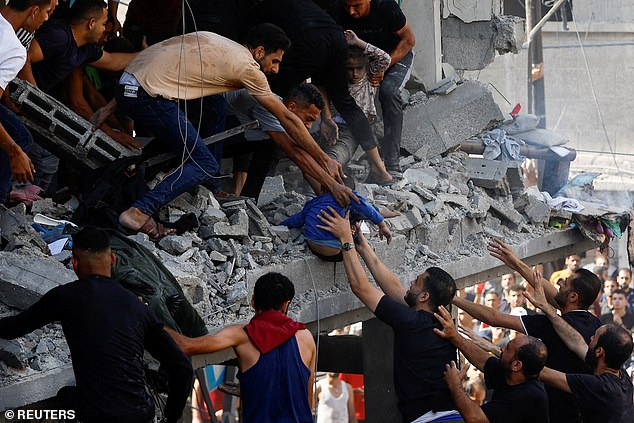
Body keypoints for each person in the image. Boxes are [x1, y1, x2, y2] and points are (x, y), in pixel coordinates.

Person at [116, 24, 348, 238]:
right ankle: (139, 211)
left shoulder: (223, 45)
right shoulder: (249, 68)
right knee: (203, 163)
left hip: (131, 84)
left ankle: (211, 186)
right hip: (145, 95)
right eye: (275, 61)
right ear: (259, 52)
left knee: (215, 103)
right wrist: (325, 159)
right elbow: (287, 120)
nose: (276, 70)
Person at [0, 228, 193, 422]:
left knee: (64, 399)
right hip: (140, 414)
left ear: (75, 263)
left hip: (94, 415)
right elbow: (182, 368)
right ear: (113, 259)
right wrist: (170, 418)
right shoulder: (138, 307)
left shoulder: (66, 296)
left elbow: (13, 328)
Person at [316, 207, 461, 422]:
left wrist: (345, 239)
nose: (410, 283)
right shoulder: (436, 317)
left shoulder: (412, 322)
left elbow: (361, 288)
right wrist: (362, 247)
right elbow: (394, 288)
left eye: (417, 281)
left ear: (424, 297)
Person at [453, 239, 602, 422]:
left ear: (573, 296)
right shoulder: (593, 323)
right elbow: (554, 295)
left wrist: (453, 298)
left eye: (566, 283)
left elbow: (494, 318)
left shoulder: (552, 325)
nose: (560, 283)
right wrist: (516, 263)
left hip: (558, 411)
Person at [244, 0, 380, 169]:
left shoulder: (261, 15)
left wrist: (324, 121)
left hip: (311, 38)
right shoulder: (303, 12)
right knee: (344, 101)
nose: (351, 12)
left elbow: (317, 76)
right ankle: (380, 168)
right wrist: (325, 119)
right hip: (334, 37)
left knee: (273, 108)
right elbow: (319, 79)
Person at [166, 272, 316, 423]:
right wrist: (256, 387)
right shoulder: (306, 337)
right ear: (285, 305)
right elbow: (306, 400)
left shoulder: (241, 335)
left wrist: (148, 317)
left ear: (252, 301)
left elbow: (186, 346)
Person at [19, 0, 139, 149]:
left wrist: (154, 52)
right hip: (17, 100)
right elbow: (24, 56)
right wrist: (36, 99)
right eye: (103, 24)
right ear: (91, 23)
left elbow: (114, 61)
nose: (104, 31)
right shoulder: (59, 36)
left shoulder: (86, 49)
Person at [523, 276, 634, 423]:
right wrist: (548, 310)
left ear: (600, 352)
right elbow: (575, 341)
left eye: (594, 337)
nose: (589, 339)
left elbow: (546, 374)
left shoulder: (598, 387)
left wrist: (507, 355)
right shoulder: (623, 378)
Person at [223, 83, 357, 204]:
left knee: (271, 145)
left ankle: (249, 202)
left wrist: (327, 195)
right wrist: (333, 186)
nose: (309, 126)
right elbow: (295, 153)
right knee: (274, 144)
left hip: (231, 140)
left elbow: (303, 156)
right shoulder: (267, 106)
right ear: (292, 106)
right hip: (211, 139)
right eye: (308, 119)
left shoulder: (277, 119)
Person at [324, 0, 416, 175]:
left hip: (393, 56)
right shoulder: (335, 11)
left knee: (388, 92)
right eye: (346, 6)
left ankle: (392, 163)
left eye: (357, 6)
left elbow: (409, 40)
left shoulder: (386, 7)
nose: (351, 12)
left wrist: (382, 69)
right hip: (357, 62)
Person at [434, 305, 549, 423]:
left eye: (508, 348)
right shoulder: (512, 373)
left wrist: (455, 385)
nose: (502, 349)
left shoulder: (527, 396)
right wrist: (455, 336)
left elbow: (475, 419)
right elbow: (483, 360)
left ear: (517, 365)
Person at [321, 29, 392, 184]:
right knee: (335, 155)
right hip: (344, 128)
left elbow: (385, 58)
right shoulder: (339, 80)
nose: (354, 73)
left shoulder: (369, 75)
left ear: (365, 66)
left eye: (358, 68)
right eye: (350, 68)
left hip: (367, 126)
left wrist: (357, 42)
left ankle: (378, 171)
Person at [0, 0, 53, 203]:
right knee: (19, 138)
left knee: (19, 134)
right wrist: (14, 153)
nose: (47, 18)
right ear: (35, 10)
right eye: (47, 12)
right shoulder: (15, 50)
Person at [282, 191, 392, 261]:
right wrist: (382, 225)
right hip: (336, 250)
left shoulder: (313, 202)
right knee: (355, 215)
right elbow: (365, 206)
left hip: (314, 246)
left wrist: (281, 225)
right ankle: (360, 244)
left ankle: (380, 212)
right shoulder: (347, 194)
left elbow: (297, 219)